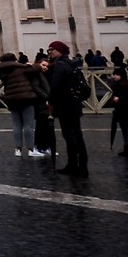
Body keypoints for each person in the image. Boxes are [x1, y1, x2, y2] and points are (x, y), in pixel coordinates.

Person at [46, 40, 90, 177]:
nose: (50, 52)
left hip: (64, 105)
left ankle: (73, 165)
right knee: (77, 135)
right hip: (75, 104)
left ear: (59, 51)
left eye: (52, 50)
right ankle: (82, 165)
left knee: (69, 136)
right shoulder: (71, 63)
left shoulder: (60, 65)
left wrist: (50, 102)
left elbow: (55, 86)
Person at [0, 53, 42, 157]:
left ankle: (18, 149)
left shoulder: (2, 71)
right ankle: (31, 149)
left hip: (11, 99)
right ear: (14, 60)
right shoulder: (20, 68)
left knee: (16, 125)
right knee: (28, 125)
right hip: (25, 98)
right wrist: (29, 64)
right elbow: (37, 68)